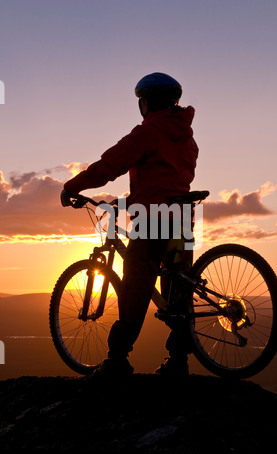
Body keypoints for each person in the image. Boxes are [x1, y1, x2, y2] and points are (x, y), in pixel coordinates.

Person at [61, 72, 198, 377]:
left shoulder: (147, 133)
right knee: (177, 292)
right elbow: (168, 176)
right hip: (182, 219)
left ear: (145, 103)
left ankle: (118, 358)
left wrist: (73, 186)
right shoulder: (187, 137)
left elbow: (110, 164)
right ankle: (179, 361)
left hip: (152, 219)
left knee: (135, 286)